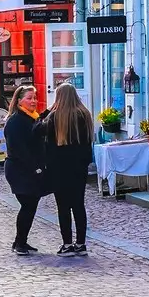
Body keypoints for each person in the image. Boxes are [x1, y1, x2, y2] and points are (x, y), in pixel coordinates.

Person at [38, 82, 95, 256]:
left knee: (63, 206)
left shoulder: (55, 117)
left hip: (59, 168)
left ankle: (67, 244)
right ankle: (81, 244)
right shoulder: (84, 115)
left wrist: (47, 111)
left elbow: (37, 130)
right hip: (79, 168)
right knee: (78, 205)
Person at [1, 83, 47, 255]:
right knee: (28, 205)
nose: (33, 101)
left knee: (31, 205)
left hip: (27, 168)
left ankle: (21, 241)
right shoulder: (15, 121)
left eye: (35, 97)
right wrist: (36, 168)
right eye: (29, 98)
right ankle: (19, 243)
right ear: (20, 101)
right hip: (19, 169)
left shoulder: (31, 117)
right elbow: (19, 149)